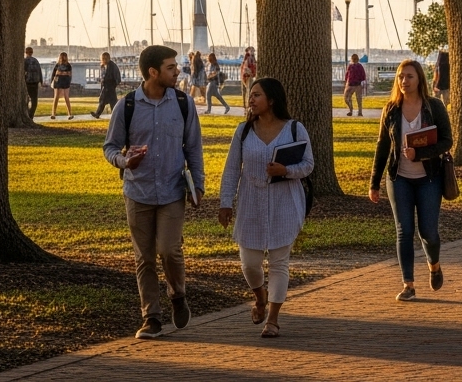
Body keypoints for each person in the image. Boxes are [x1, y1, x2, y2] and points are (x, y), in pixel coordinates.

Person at [102, 45, 204, 340]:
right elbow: (110, 147)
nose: (178, 71)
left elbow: (193, 148)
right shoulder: (128, 105)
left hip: (172, 191)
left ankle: (178, 295)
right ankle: (152, 318)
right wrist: (124, 160)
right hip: (138, 191)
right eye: (171, 67)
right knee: (144, 258)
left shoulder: (184, 103)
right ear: (153, 72)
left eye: (177, 66)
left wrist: (198, 185)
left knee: (169, 250)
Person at [219, 77, 314, 338]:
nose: (251, 100)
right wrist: (225, 203)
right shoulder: (244, 131)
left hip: (285, 203)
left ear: (271, 100)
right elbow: (230, 171)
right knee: (250, 264)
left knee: (279, 263)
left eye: (257, 95)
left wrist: (286, 170)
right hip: (250, 203)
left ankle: (272, 319)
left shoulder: (295, 129)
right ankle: (260, 298)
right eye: (250, 95)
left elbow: (308, 165)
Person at [368, 60, 453, 301]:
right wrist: (374, 183)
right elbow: (382, 146)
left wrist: (421, 154)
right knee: (404, 231)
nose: (404, 81)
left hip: (429, 178)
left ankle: (434, 265)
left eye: (409, 76)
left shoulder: (434, 107)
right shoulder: (391, 109)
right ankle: (408, 284)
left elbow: (447, 141)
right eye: (400, 77)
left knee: (428, 232)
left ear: (419, 80)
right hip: (399, 178)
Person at [93, 52, 122, 119]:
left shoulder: (112, 66)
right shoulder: (103, 66)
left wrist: (114, 84)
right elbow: (103, 76)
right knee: (105, 100)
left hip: (110, 85)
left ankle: (113, 114)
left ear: (109, 58)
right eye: (103, 58)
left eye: (106, 58)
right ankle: (98, 113)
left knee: (110, 101)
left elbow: (117, 76)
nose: (104, 60)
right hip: (106, 85)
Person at [49, 51, 73, 119]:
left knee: (66, 97)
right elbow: (54, 74)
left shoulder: (68, 65)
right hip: (58, 81)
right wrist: (52, 82)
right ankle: (53, 113)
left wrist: (61, 73)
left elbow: (69, 74)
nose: (63, 58)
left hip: (65, 82)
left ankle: (70, 113)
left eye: (64, 56)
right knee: (56, 97)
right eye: (62, 56)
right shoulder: (57, 65)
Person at [23, 47, 43, 119]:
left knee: (26, 99)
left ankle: (27, 114)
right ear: (32, 52)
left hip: (27, 82)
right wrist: (41, 81)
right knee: (34, 100)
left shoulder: (24, 61)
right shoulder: (36, 61)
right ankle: (31, 115)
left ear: (25, 52)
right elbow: (39, 71)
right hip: (35, 82)